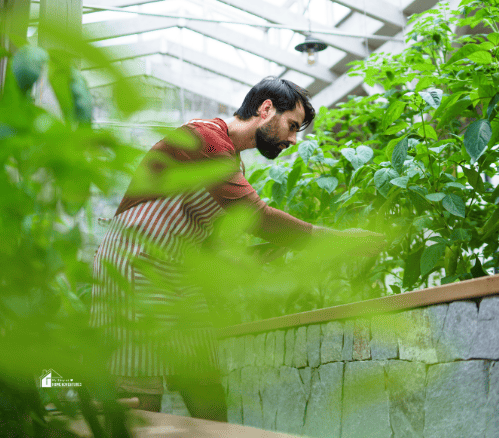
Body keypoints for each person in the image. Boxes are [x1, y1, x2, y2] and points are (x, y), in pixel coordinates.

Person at [90, 77, 383, 421]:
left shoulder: (231, 162)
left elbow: (215, 244)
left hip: (178, 274)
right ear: (266, 109)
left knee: (205, 388)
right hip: (137, 267)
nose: (292, 139)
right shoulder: (205, 140)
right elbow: (258, 217)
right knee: (139, 395)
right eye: (291, 126)